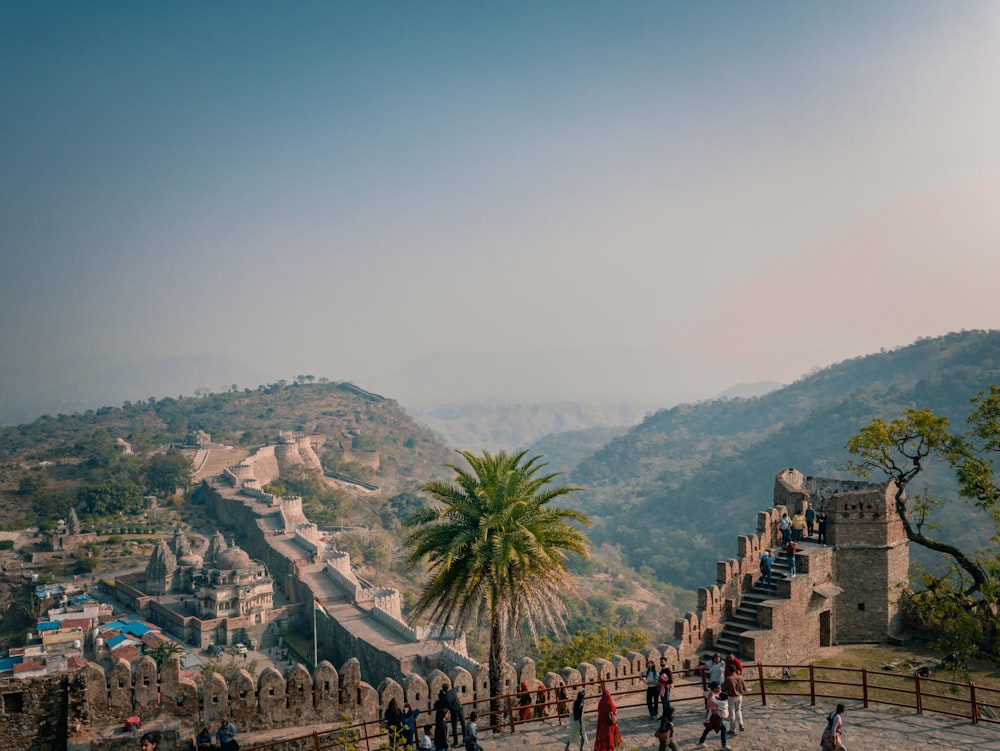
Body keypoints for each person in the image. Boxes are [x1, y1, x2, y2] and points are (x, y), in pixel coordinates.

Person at [696, 682, 728, 750]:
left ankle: (701, 741)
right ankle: (724, 745)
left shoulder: (714, 694)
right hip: (714, 715)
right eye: (718, 687)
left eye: (720, 687)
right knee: (723, 728)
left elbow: (706, 693)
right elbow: (714, 710)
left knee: (708, 728)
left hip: (713, 714)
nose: (720, 688)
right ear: (714, 688)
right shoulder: (713, 696)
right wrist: (720, 715)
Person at [722, 669, 747, 734]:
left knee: (732, 713)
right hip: (739, 696)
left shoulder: (729, 679)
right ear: (735, 670)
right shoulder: (741, 678)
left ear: (729, 671)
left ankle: (733, 729)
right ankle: (741, 723)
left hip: (731, 697)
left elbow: (723, 688)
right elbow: (745, 688)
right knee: (738, 710)